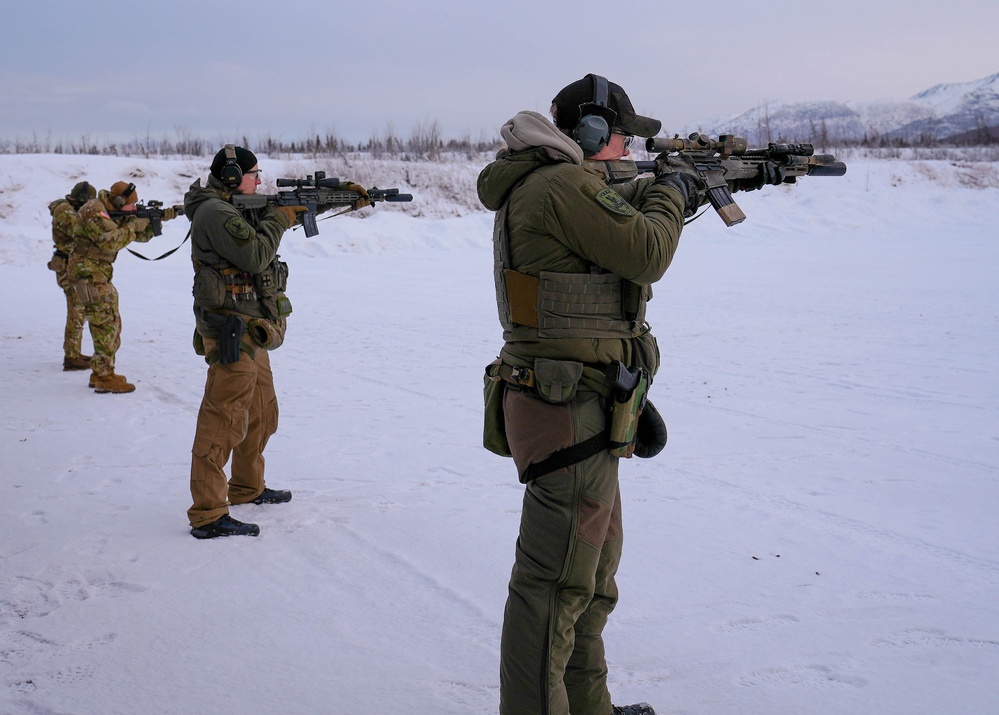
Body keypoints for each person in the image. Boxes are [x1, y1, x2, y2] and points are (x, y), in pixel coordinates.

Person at [477, 74, 706, 715]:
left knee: (592, 579)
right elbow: (646, 249)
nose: (628, 144)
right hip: (566, 410)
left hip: (586, 404)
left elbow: (620, 211)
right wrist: (674, 190)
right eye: (622, 134)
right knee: (553, 588)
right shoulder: (557, 185)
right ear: (590, 133)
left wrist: (682, 187)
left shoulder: (561, 182)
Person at [183, 145, 302, 539]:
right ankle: (208, 512)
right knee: (223, 420)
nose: (259, 180)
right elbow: (253, 255)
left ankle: (248, 486)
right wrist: (280, 220)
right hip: (231, 329)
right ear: (234, 177)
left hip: (252, 325)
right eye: (254, 174)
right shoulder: (215, 212)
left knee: (261, 412)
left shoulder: (230, 206)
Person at [73, 181, 178, 394]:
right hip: (88, 273)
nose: (132, 210)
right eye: (130, 206)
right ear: (119, 201)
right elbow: (110, 241)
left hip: (97, 273)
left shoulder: (109, 209)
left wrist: (154, 220)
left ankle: (100, 371)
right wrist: (134, 224)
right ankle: (104, 377)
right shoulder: (94, 210)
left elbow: (140, 236)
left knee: (110, 321)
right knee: (105, 323)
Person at [48, 181, 96, 371]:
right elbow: (81, 230)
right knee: (76, 310)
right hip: (68, 266)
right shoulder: (65, 212)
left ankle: (74, 352)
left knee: (79, 310)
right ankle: (71, 356)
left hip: (73, 264)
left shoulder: (70, 209)